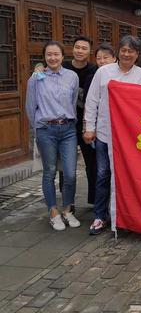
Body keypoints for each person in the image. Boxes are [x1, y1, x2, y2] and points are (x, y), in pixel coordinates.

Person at [84, 36, 141, 235]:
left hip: (130, 137)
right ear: (118, 51)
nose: (127, 54)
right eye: (124, 50)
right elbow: (92, 100)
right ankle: (100, 216)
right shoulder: (104, 72)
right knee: (103, 175)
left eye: (132, 51)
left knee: (129, 177)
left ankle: (125, 216)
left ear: (138, 55)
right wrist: (89, 127)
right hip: (105, 133)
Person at [26, 40, 80, 231]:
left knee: (70, 173)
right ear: (44, 57)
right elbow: (30, 107)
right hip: (46, 130)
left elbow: (73, 103)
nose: (53, 57)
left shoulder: (72, 77)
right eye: (49, 54)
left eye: (56, 54)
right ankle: (53, 212)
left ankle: (67, 209)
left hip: (68, 130)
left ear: (62, 56)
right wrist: (38, 130)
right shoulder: (36, 77)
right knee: (49, 172)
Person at [61, 35, 97, 206]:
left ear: (89, 52)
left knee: (91, 163)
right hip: (67, 122)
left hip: (87, 123)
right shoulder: (64, 67)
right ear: (72, 49)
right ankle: (68, 202)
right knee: (66, 166)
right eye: (77, 47)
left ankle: (94, 199)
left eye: (84, 48)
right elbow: (44, 69)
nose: (80, 51)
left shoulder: (94, 69)